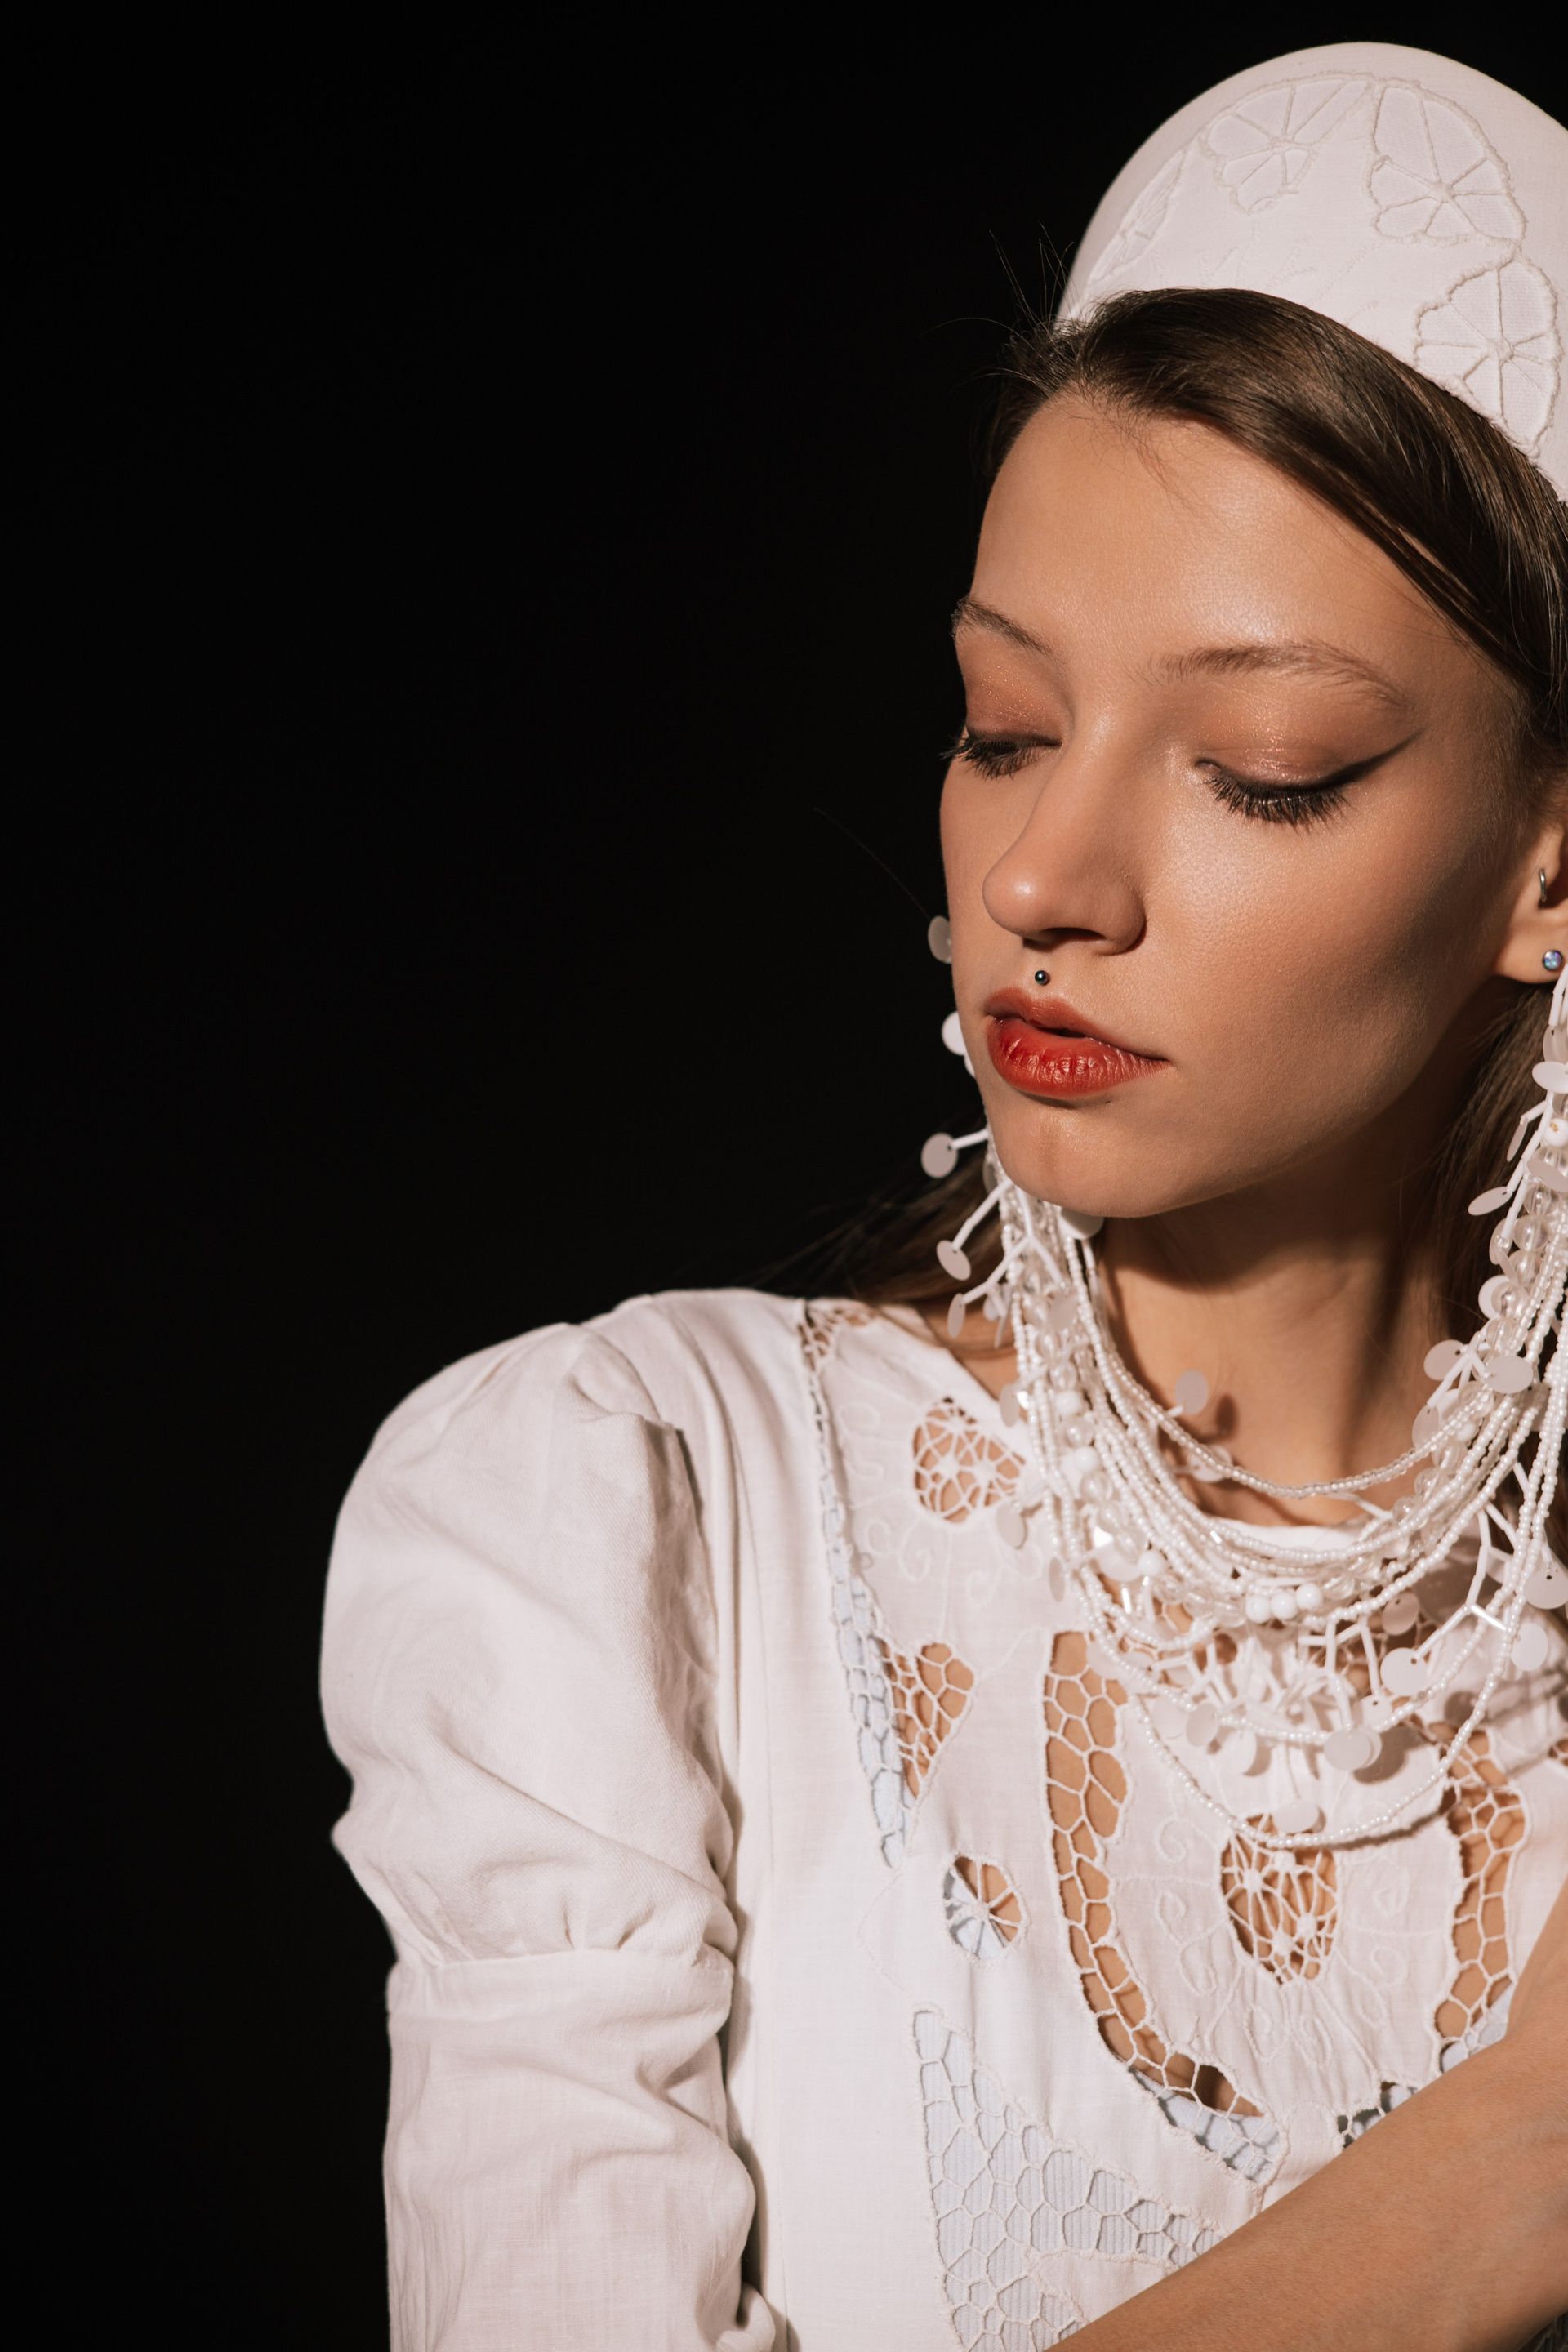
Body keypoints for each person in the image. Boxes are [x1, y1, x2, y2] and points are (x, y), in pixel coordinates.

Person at [321, 42, 1568, 2350]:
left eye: (1262, 768)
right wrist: (1506, 2170)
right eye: (1004, 726)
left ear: (1548, 864)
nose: (1042, 874)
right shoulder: (648, 1507)